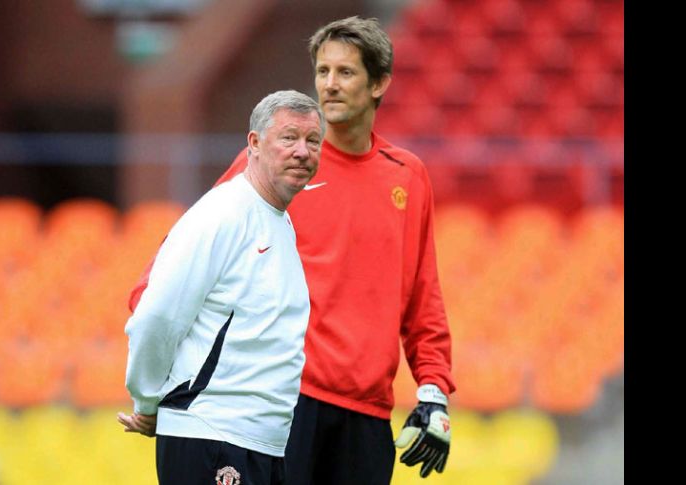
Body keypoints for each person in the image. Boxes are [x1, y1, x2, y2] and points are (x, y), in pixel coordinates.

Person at [129, 16, 455, 484]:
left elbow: (423, 296)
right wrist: (161, 367)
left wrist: (433, 390)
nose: (330, 85)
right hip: (285, 401)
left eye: (345, 73)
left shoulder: (407, 175)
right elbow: (179, 257)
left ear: (380, 82)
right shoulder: (272, 166)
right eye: (322, 72)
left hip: (366, 411)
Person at [118, 89, 325, 485]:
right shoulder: (223, 214)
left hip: (262, 442)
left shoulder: (278, 222)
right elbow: (157, 315)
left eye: (312, 141)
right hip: (214, 435)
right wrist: (147, 399)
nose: (302, 151)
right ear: (254, 144)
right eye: (288, 137)